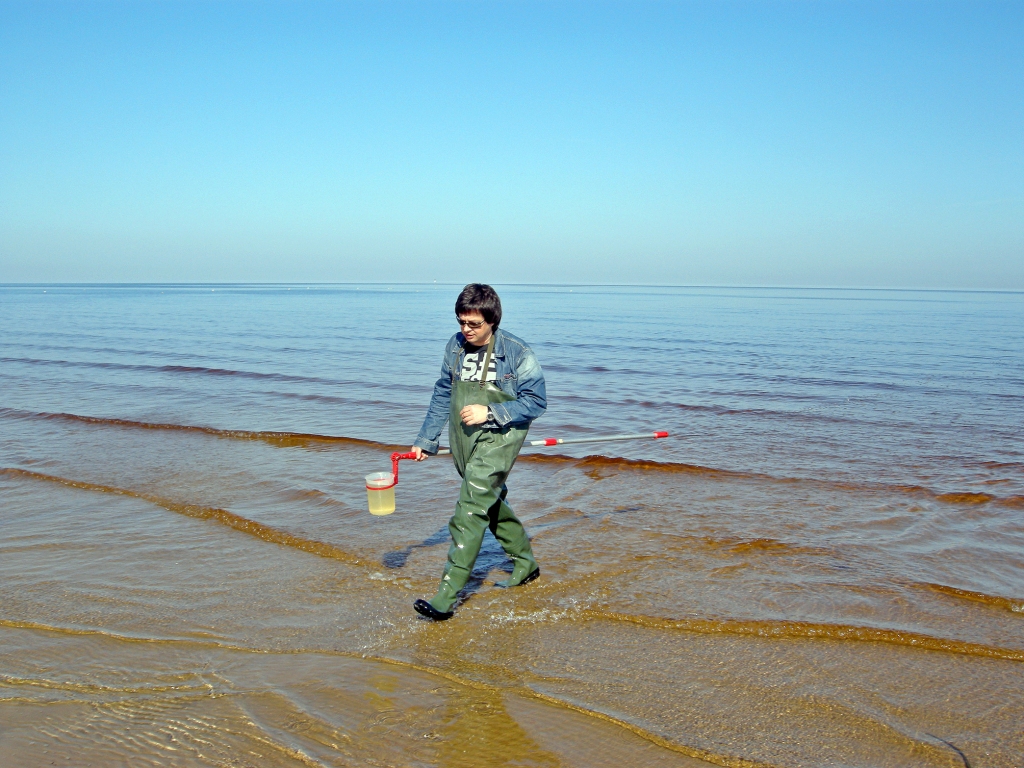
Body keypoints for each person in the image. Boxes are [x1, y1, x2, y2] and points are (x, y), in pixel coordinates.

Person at [410, 284, 546, 621]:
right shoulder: (455, 347)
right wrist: (426, 439)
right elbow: (443, 394)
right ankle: (526, 564)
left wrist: (491, 412)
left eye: (474, 324)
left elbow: (536, 401)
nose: (466, 331)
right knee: (489, 500)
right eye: (461, 322)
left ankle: (446, 596)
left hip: (501, 437)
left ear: (492, 321)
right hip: (463, 437)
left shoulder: (516, 351)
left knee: (469, 510)